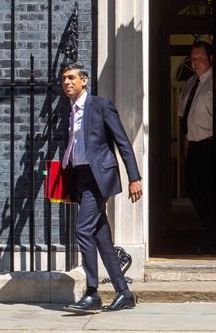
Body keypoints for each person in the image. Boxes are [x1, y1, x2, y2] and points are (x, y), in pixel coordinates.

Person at [60, 63, 143, 313]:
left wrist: (134, 177)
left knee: (83, 230)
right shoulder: (71, 111)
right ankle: (124, 293)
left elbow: (122, 142)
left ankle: (93, 292)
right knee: (100, 236)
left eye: (72, 78)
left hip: (99, 177)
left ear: (84, 81)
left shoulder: (100, 105)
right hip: (81, 176)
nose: (67, 82)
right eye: (64, 79)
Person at [178, 41, 216, 253]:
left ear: (210, 58)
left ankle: (213, 236)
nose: (195, 62)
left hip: (210, 146)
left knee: (209, 194)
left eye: (200, 57)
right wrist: (185, 146)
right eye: (192, 58)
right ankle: (207, 230)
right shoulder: (190, 83)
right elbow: (185, 119)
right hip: (192, 147)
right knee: (193, 190)